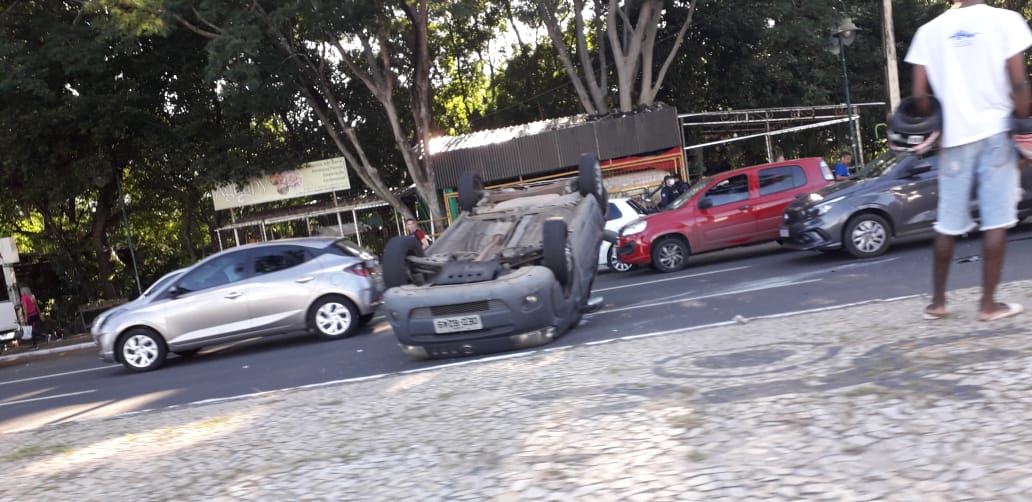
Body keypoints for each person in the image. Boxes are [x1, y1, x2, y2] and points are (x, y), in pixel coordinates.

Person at [905, 0, 1032, 322]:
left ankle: (938, 302)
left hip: (954, 140)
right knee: (997, 220)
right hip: (998, 134)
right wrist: (1024, 133)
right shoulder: (1006, 20)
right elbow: (1018, 84)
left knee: (947, 223)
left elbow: (920, 96)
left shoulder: (928, 31)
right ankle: (988, 306)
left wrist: (936, 123)